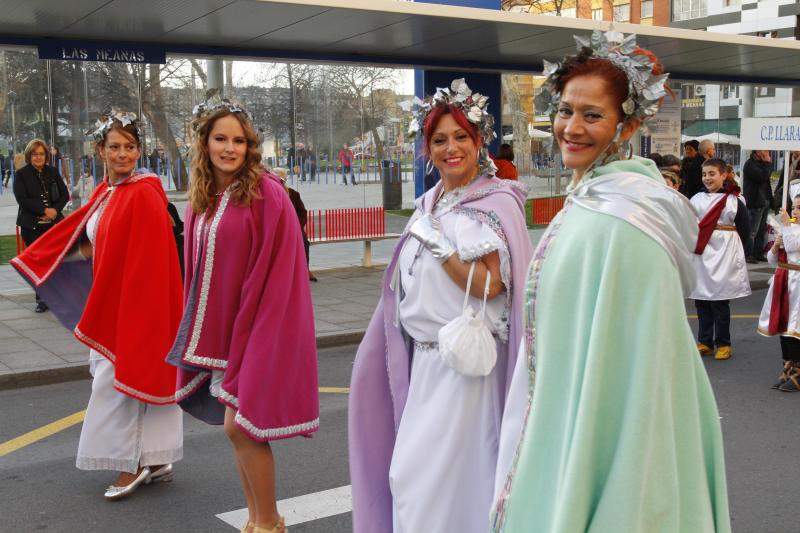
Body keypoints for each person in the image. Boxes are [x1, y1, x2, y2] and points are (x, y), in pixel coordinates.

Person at [492, 31, 731, 532]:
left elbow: (641, 380)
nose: (570, 127)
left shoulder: (628, 216)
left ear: (628, 126)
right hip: (563, 417)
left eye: (592, 115)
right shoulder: (591, 198)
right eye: (564, 110)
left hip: (613, 442)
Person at [349, 78, 533, 533]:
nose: (450, 148)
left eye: (460, 138)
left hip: (466, 370)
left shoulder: (493, 203)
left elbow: (491, 285)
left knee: (442, 485)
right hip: (427, 364)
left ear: (478, 142)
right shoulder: (431, 203)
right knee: (414, 479)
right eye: (439, 140)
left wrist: (439, 247)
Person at [11, 110, 184, 499]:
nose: (123, 154)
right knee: (128, 381)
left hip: (137, 306)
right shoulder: (106, 193)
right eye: (115, 147)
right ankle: (157, 458)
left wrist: (137, 308)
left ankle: (130, 464)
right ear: (100, 151)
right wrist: (52, 258)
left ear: (139, 151)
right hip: (112, 300)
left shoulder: (143, 193)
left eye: (130, 147)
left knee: (117, 384)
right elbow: (91, 242)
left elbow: (151, 260)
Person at [167, 96, 319, 533]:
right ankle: (257, 521)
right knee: (238, 430)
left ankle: (269, 523)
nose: (229, 148)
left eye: (238, 140)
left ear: (250, 145)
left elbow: (282, 269)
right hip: (224, 333)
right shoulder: (203, 197)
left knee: (243, 427)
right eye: (220, 139)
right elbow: (198, 274)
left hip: (259, 327)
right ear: (205, 142)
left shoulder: (266, 193)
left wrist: (257, 333)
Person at [690, 157, 750, 360]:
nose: (707, 178)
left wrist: (742, 254)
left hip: (724, 252)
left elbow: (744, 228)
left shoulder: (734, 200)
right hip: (702, 251)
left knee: (720, 301)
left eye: (712, 174)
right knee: (701, 300)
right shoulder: (696, 198)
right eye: (704, 174)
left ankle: (723, 343)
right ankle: (705, 340)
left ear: (724, 175)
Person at [13, 139, 69, 313]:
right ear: (30, 156)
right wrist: (43, 209)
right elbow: (22, 199)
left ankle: (57, 296)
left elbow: (64, 195)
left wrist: (54, 210)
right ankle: (42, 299)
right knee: (39, 262)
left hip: (54, 225)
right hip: (32, 227)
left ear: (46, 155)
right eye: (35, 154)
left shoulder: (52, 172)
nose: (38, 157)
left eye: (42, 154)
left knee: (56, 262)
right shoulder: (21, 174)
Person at [758, 198, 800, 392]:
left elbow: (793, 247)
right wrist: (775, 247)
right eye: (794, 207)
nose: (795, 211)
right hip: (783, 278)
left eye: (799, 208)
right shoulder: (789, 228)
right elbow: (773, 260)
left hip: (797, 282)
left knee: (795, 327)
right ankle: (788, 366)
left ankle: (798, 371)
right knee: (783, 324)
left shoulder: (790, 229)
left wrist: (785, 226)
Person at [743, 150, 773, 263]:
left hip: (764, 200)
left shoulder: (760, 164)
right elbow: (762, 177)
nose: (767, 153)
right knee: (752, 230)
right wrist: (768, 163)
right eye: (764, 151)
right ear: (757, 152)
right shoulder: (750, 164)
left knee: (761, 229)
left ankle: (758, 252)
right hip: (755, 201)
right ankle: (748, 254)